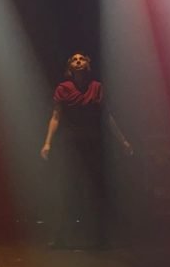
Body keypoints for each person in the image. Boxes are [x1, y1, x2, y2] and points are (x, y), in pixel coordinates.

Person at [40, 52, 132, 248]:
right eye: (74, 59)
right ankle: (62, 237)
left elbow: (106, 116)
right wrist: (47, 142)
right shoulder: (64, 88)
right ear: (69, 66)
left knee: (96, 189)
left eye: (82, 59)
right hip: (72, 143)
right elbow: (56, 116)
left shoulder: (96, 87)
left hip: (93, 141)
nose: (78, 61)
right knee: (69, 190)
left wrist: (122, 140)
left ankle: (100, 237)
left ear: (87, 65)